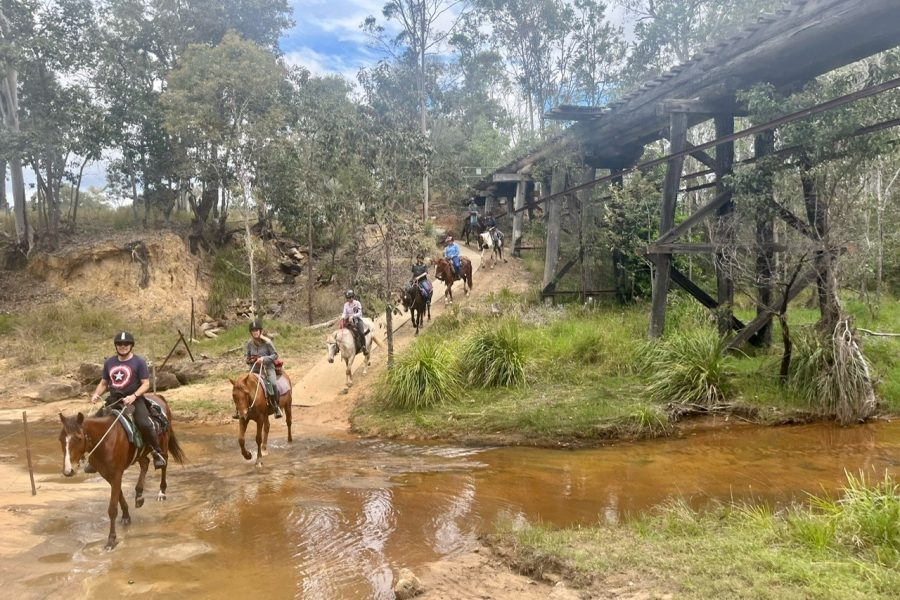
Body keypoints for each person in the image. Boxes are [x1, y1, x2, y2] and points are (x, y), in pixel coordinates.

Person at [90, 331, 166, 469]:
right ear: (116, 346)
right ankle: (94, 458)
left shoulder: (139, 362)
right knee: (92, 424)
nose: (123, 346)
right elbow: (103, 383)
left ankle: (157, 452)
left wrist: (133, 396)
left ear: (131, 345)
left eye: (126, 344)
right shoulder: (109, 362)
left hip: (134, 399)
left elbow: (146, 384)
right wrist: (96, 394)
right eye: (119, 344)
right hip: (114, 399)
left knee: (145, 424)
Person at [244, 319, 283, 419]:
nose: (255, 332)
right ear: (251, 333)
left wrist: (264, 359)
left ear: (260, 331)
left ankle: (275, 406)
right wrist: (250, 360)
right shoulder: (249, 344)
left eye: (257, 330)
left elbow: (275, 355)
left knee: (273, 383)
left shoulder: (267, 342)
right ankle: (242, 408)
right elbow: (247, 358)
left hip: (267, 367)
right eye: (253, 331)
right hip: (255, 368)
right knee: (243, 384)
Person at [341, 289, 368, 357]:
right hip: (349, 321)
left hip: (357, 320)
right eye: (349, 297)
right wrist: (342, 317)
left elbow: (359, 313)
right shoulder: (346, 305)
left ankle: (364, 347)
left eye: (352, 297)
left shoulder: (357, 303)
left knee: (361, 333)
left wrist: (353, 316)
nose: (351, 298)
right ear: (347, 298)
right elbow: (344, 313)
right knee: (342, 331)